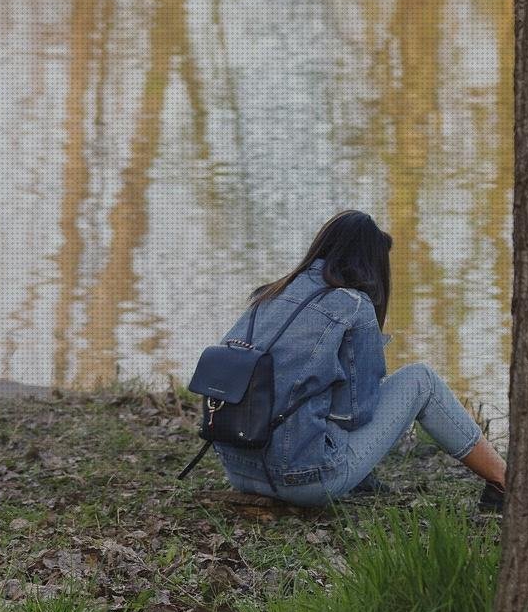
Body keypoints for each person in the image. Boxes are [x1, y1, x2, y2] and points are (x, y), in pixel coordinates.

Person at [212, 210, 507, 512]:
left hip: (239, 470)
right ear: (373, 263)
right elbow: (356, 413)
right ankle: (505, 481)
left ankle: (362, 477)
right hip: (303, 482)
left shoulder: (269, 293)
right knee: (422, 380)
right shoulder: (354, 304)